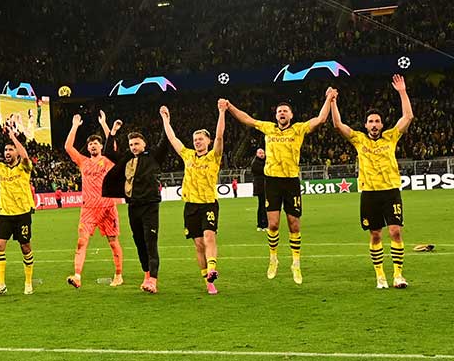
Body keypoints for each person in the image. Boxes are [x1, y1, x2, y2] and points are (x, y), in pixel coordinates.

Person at [226, 90, 333, 284]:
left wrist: (328, 98)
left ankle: (296, 263)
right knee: (273, 224)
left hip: (291, 181)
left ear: (291, 115)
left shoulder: (299, 129)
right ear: (276, 116)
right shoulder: (268, 128)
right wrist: (229, 107)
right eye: (279, 111)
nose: (282, 113)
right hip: (272, 181)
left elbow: (321, 118)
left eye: (285, 111)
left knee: (294, 224)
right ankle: (273, 258)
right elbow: (247, 119)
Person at [329, 75, 414, 289]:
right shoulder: (359, 139)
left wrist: (402, 92)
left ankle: (397, 275)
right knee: (376, 235)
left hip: (390, 191)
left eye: (377, 121)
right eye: (371, 121)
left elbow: (408, 116)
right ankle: (380, 276)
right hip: (369, 193)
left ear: (382, 124)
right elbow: (338, 124)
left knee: (395, 231)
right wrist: (333, 102)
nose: (374, 124)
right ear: (366, 125)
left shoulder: (391, 136)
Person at [161, 101, 227, 295]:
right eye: (195, 139)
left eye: (200, 139)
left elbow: (220, 136)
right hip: (190, 206)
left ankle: (213, 268)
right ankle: (208, 282)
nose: (197, 141)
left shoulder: (214, 156)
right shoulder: (188, 156)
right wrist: (166, 119)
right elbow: (172, 138)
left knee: (209, 237)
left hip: (208, 204)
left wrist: (221, 112)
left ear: (207, 141)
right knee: (198, 245)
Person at [64, 112, 124, 289]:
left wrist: (105, 124)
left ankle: (118, 275)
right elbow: (68, 147)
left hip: (107, 207)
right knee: (81, 241)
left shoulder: (107, 161)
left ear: (100, 146)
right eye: (90, 144)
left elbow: (111, 143)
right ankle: (77, 276)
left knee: (113, 243)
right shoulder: (83, 162)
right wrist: (75, 125)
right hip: (88, 209)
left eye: (96, 143)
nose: (92, 146)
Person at [108, 120, 169, 293]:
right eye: (131, 144)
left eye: (136, 143)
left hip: (150, 206)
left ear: (144, 144)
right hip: (133, 207)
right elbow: (108, 152)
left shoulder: (153, 157)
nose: (134, 147)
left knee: (151, 243)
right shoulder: (126, 159)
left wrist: (165, 121)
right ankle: (147, 275)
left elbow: (165, 143)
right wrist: (113, 132)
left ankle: (153, 280)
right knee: (139, 242)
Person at [0, 125, 36, 296]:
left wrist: (13, 138)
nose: (7, 152)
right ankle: (1, 283)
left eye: (11, 149)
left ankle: (28, 282)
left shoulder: (24, 167)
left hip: (23, 213)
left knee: (25, 247)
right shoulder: (0, 168)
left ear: (16, 152)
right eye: (6, 150)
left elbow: (25, 156)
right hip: (4, 214)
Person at [251, 149, 268, 231]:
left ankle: (263, 224)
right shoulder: (255, 163)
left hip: (266, 186)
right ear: (257, 154)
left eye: (262, 153)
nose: (262, 154)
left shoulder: (266, 161)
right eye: (260, 153)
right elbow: (264, 171)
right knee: (262, 205)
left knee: (263, 205)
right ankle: (262, 224)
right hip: (260, 187)